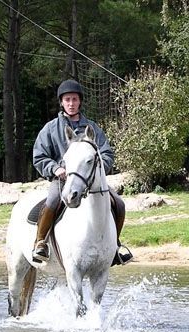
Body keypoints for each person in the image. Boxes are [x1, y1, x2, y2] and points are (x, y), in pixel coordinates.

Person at [32, 79, 133, 265]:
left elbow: (106, 153)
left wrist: (98, 167)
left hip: (91, 180)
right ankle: (40, 243)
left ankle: (115, 247)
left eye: (74, 99)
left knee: (119, 203)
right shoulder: (50, 129)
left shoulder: (92, 128)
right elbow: (39, 157)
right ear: (61, 102)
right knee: (53, 200)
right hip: (63, 179)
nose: (71, 103)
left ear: (80, 102)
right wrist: (55, 168)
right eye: (67, 100)